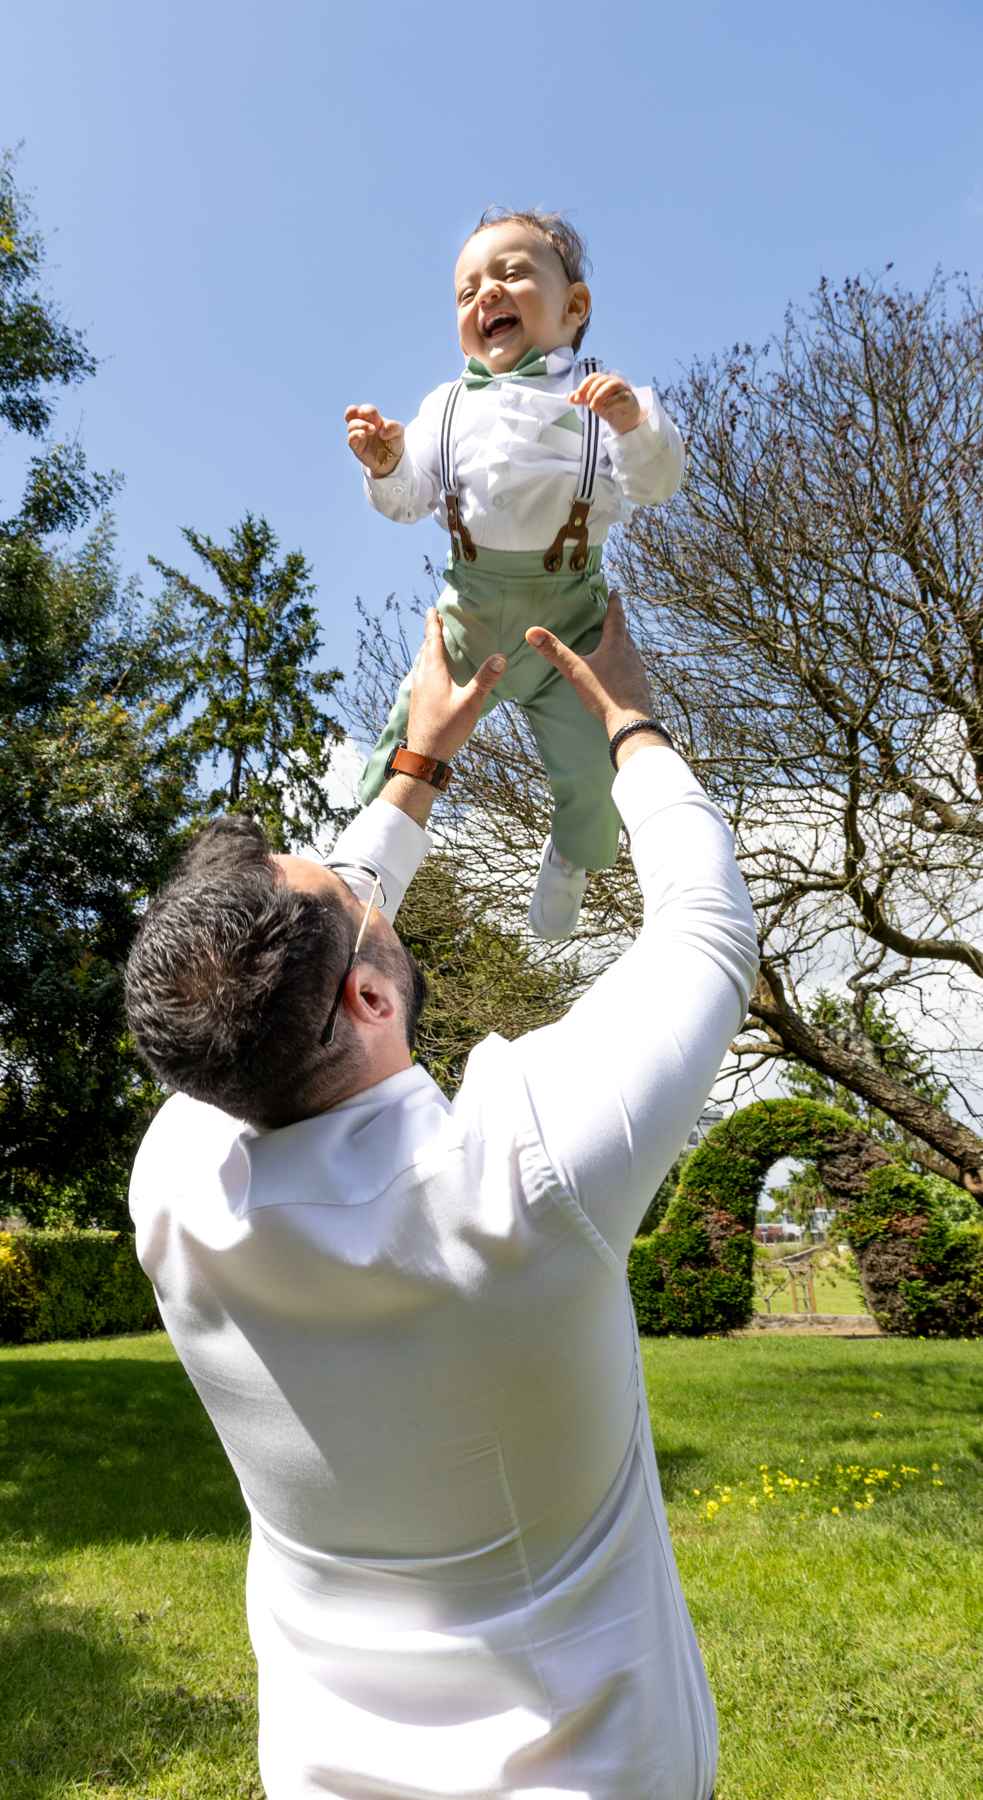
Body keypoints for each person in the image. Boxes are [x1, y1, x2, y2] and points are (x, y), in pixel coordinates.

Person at [125, 595, 757, 1800]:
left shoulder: (176, 1183)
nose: (359, 880)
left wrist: (417, 763)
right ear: (370, 999)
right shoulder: (527, 1176)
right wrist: (632, 721)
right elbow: (710, 929)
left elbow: (317, 944)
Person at [345, 208, 685, 939]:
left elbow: (655, 484)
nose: (486, 295)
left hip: (569, 616)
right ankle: (368, 848)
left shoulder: (603, 398)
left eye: (510, 275)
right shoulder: (444, 407)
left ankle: (576, 854)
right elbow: (410, 502)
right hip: (469, 608)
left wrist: (633, 425)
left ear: (574, 306)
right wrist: (387, 466)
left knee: (595, 763)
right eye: (467, 291)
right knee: (408, 732)